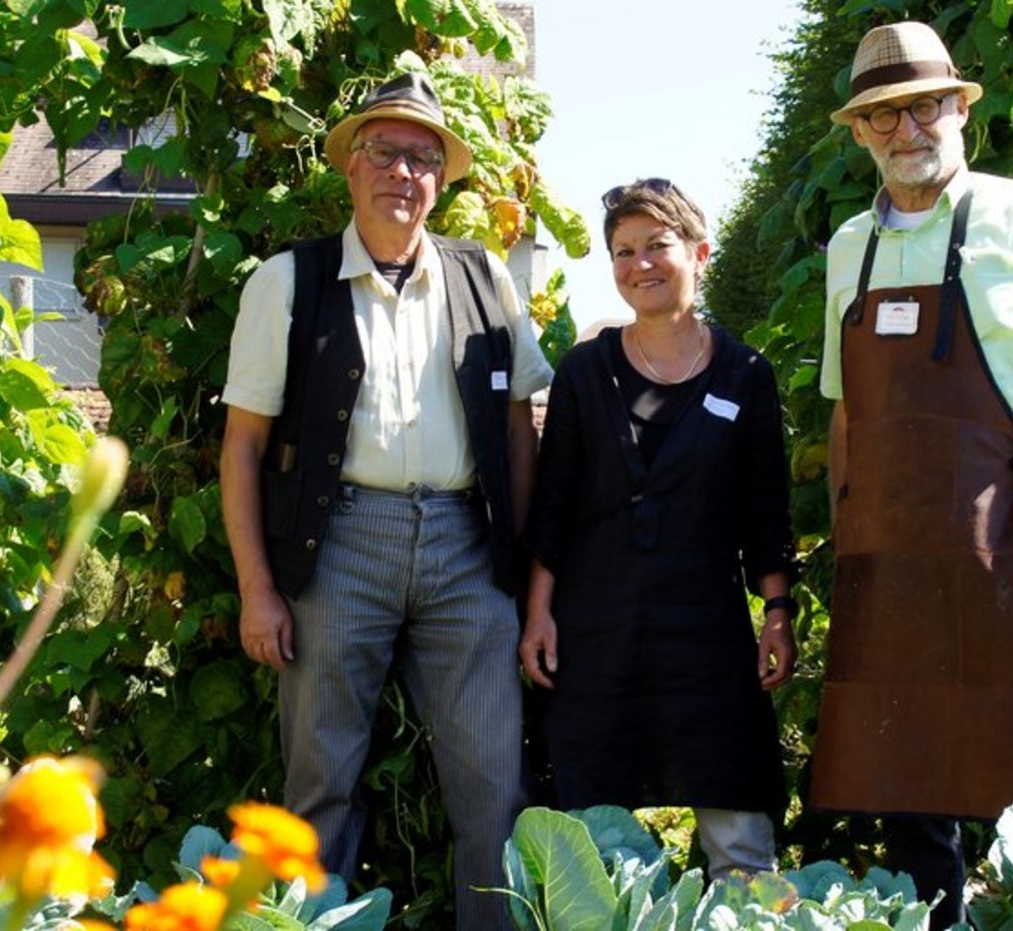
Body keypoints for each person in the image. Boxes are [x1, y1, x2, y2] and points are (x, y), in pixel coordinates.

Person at [812, 21, 1013, 927]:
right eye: (882, 115)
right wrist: (852, 528)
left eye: (923, 106)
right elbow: (846, 410)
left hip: (1006, 550)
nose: (907, 129)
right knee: (905, 786)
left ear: (960, 108)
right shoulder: (846, 250)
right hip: (890, 561)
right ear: (861, 133)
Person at [218, 71, 551, 929]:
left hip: (465, 543)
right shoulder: (287, 283)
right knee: (318, 777)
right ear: (350, 166)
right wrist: (259, 589)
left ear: (442, 179)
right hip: (336, 544)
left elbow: (520, 429)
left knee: (493, 781)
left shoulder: (488, 280)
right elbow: (243, 447)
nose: (402, 171)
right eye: (385, 151)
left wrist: (513, 559)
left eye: (422, 157)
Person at [518, 178, 797, 879]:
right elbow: (555, 502)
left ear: (699, 253)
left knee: (735, 818)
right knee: (595, 832)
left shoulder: (745, 375)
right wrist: (539, 611)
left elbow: (766, 509)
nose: (639, 263)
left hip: (706, 633)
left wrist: (778, 612)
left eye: (656, 246)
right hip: (598, 629)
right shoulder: (585, 372)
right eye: (622, 251)